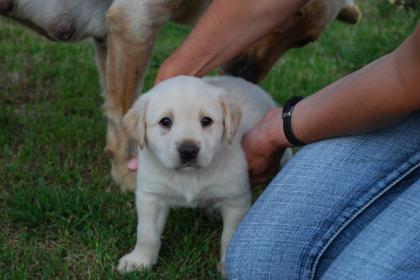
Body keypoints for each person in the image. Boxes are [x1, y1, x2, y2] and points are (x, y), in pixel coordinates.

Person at [128, 0, 420, 279]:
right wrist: (173, 72)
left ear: (229, 124)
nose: (188, 143)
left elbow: (235, 202)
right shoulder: (152, 124)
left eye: (207, 122)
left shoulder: (234, 116)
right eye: (165, 123)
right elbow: (405, 72)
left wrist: (275, 134)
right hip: (404, 81)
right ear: (140, 128)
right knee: (258, 264)